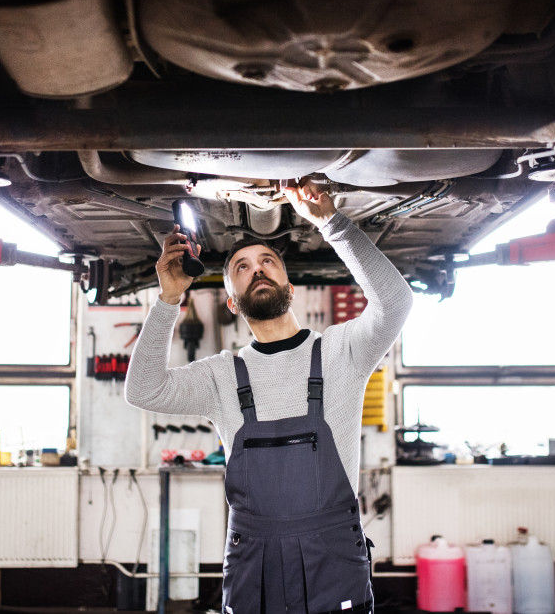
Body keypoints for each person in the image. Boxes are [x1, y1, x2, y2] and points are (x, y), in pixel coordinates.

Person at [124, 181, 413, 614]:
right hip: (253, 565)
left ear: (290, 288)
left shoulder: (340, 353)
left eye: (267, 261)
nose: (256, 269)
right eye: (240, 267)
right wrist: (168, 298)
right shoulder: (221, 376)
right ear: (233, 304)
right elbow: (143, 389)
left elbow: (395, 302)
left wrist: (333, 224)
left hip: (332, 560)